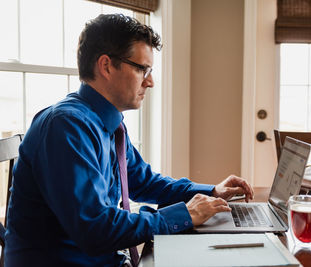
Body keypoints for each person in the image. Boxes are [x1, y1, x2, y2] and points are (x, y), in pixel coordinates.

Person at [5, 14, 254, 267]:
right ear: (106, 66)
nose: (151, 81)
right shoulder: (66, 126)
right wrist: (183, 214)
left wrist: (211, 191)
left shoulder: (110, 123)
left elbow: (144, 182)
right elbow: (95, 228)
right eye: (141, 69)